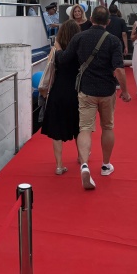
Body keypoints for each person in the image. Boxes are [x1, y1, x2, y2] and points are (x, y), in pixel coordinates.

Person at [55, 5, 131, 190]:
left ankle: (84, 164)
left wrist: (57, 49)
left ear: (91, 19)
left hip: (86, 90)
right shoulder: (113, 40)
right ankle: (105, 165)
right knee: (107, 127)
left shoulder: (79, 37)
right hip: (107, 91)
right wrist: (125, 92)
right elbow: (119, 70)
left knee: (85, 128)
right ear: (108, 22)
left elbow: (64, 59)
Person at [41, 20, 82, 175]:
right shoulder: (80, 49)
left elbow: (49, 67)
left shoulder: (56, 49)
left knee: (57, 128)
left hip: (58, 90)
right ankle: (81, 157)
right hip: (77, 90)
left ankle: (59, 165)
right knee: (79, 126)